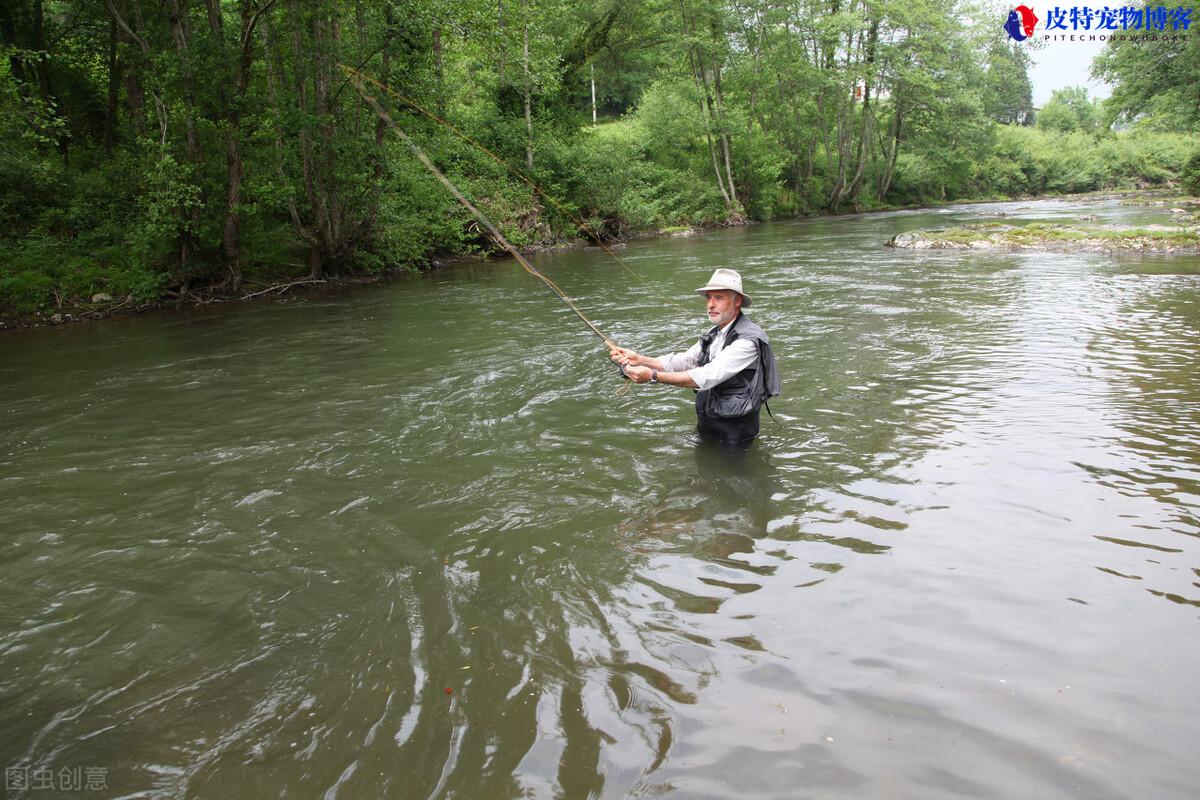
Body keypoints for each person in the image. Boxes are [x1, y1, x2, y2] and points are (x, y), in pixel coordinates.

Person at [611, 268, 781, 447]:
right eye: (708, 297)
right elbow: (686, 360)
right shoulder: (715, 332)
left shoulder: (748, 341)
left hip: (735, 434)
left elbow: (707, 376)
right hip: (708, 424)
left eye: (719, 298)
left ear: (737, 301)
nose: (710, 304)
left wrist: (652, 376)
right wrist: (641, 359)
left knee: (731, 475)